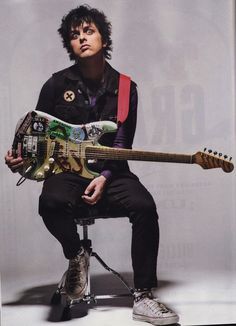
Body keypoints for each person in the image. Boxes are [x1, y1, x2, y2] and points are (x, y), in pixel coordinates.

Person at [5, 5, 179, 325]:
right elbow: (34, 133)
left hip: (111, 172)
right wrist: (19, 160)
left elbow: (122, 143)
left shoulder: (126, 88)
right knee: (51, 202)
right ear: (69, 44)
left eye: (89, 31)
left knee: (144, 206)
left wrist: (105, 177)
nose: (82, 38)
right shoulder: (56, 85)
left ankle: (143, 295)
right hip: (67, 173)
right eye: (75, 35)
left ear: (103, 36)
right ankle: (76, 256)